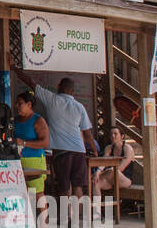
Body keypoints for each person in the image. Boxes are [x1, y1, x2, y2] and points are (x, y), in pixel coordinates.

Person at [14, 69, 98, 211]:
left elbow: (30, 83)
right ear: (72, 91)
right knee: (77, 185)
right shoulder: (80, 107)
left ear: (59, 86)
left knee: (64, 185)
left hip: (61, 150)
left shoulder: (52, 99)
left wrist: (15, 69)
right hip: (79, 149)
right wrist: (95, 151)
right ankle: (78, 218)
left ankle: (67, 216)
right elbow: (87, 133)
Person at [13, 91, 52, 228]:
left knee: (37, 194)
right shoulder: (16, 120)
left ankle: (43, 226)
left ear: (29, 104)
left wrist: (24, 143)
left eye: (20, 103)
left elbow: (45, 142)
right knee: (21, 194)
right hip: (18, 160)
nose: (17, 106)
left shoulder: (38, 120)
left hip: (35, 160)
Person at [95, 125, 138, 193]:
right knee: (95, 182)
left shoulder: (128, 148)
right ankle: (97, 203)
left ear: (122, 136)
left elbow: (121, 168)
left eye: (115, 134)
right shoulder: (108, 148)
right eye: (111, 134)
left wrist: (103, 172)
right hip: (110, 178)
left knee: (113, 171)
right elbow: (104, 162)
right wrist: (98, 172)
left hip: (125, 179)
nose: (112, 136)